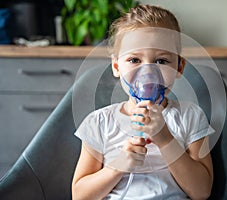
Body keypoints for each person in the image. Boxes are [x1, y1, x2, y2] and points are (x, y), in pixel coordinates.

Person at [72, 4, 214, 200]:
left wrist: (165, 139)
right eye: (134, 60)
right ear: (116, 67)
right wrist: (117, 166)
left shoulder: (190, 116)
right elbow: (80, 196)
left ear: (179, 67)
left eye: (161, 61)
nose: (147, 72)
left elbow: (202, 192)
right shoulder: (100, 123)